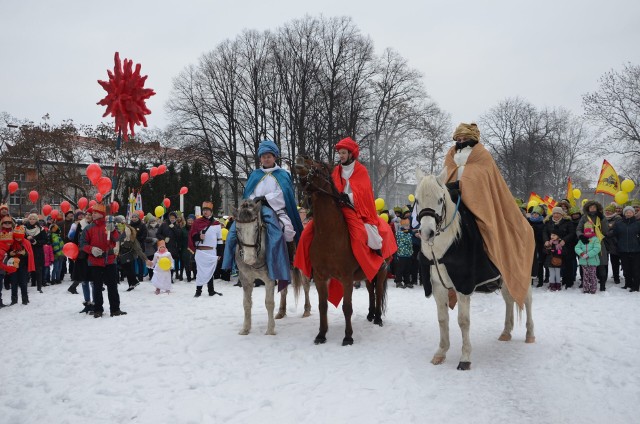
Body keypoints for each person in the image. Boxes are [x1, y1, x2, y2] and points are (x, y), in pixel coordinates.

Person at [441, 123, 535, 305]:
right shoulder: (451, 153)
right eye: (458, 139)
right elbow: (446, 172)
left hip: (475, 200)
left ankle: (489, 269)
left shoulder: (481, 154)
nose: (460, 141)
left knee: (482, 227)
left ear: (472, 138)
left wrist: (464, 184)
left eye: (464, 138)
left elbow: (480, 176)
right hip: (452, 196)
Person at [294, 137, 397, 290]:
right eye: (340, 153)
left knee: (364, 232)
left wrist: (348, 197)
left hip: (355, 209)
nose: (341, 156)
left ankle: (378, 257)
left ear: (351, 154)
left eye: (344, 153)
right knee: (306, 233)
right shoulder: (336, 170)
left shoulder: (360, 170)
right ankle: (309, 267)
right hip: (337, 208)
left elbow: (364, 193)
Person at [224, 140, 303, 290]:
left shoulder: (283, 174)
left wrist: (267, 198)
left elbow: (284, 193)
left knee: (286, 230)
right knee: (233, 231)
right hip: (254, 208)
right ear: (260, 158)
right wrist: (255, 200)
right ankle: (230, 262)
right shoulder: (255, 174)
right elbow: (249, 193)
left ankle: (287, 261)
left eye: (269, 156)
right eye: (263, 156)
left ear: (274, 157)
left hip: (275, 209)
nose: (266, 159)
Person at [79, 203, 126, 318]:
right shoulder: (88, 228)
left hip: (109, 260)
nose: (93, 214)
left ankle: (115, 309)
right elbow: (82, 244)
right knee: (97, 287)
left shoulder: (109, 226)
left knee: (112, 286)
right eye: (92, 213)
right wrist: (91, 249)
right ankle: (98, 309)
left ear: (101, 214)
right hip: (95, 261)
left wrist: (113, 230)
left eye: (95, 212)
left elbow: (118, 238)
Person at [189, 201, 223, 297]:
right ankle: (198, 291)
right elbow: (191, 236)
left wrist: (220, 253)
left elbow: (219, 240)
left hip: (212, 251)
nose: (205, 212)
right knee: (200, 271)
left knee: (210, 271)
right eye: (204, 210)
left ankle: (211, 291)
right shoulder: (197, 222)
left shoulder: (216, 224)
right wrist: (199, 237)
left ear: (211, 211)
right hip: (201, 251)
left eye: (207, 210)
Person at [576, 200, 610, 291]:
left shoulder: (602, 217)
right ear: (588, 208)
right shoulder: (584, 218)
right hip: (587, 242)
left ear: (597, 208)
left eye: (594, 207)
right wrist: (581, 236)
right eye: (591, 207)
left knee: (602, 264)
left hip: (599, 242)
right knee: (586, 263)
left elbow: (606, 231)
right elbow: (578, 229)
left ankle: (602, 284)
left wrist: (602, 218)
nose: (592, 209)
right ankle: (585, 282)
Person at [542, 207, 575, 290]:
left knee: (567, 264)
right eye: (554, 213)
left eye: (558, 213)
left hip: (565, 246)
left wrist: (564, 240)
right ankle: (553, 282)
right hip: (552, 246)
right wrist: (546, 240)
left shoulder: (567, 222)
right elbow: (544, 232)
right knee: (553, 263)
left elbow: (572, 233)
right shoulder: (548, 222)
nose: (556, 215)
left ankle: (568, 282)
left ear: (561, 214)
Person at [609, 206, 640, 292]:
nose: (628, 213)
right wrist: (617, 242)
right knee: (626, 268)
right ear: (624, 213)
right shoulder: (619, 223)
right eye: (627, 212)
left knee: (636, 269)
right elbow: (613, 233)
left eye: (630, 212)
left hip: (636, 250)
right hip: (623, 249)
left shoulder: (638, 223)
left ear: (633, 213)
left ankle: (636, 286)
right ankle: (628, 284)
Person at [114, 216, 148, 292]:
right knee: (125, 268)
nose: (119, 225)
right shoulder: (116, 231)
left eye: (120, 223)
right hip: (121, 253)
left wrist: (145, 258)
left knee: (129, 268)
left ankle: (132, 283)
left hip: (128, 252)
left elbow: (136, 245)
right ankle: (134, 282)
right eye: (117, 224)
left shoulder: (129, 231)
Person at [575, 223, 602, 294]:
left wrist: (588, 254)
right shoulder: (581, 240)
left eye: (589, 231)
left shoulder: (595, 239)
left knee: (592, 275)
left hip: (593, 261)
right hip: (583, 261)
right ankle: (586, 288)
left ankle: (593, 288)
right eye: (586, 232)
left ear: (592, 231)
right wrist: (582, 253)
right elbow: (577, 247)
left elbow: (597, 248)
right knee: (585, 275)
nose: (588, 233)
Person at [156, 211, 182, 284]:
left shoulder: (177, 226)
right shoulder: (164, 225)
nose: (172, 219)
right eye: (171, 218)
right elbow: (158, 234)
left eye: (174, 218)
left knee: (170, 264)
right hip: (164, 247)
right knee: (163, 262)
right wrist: (164, 238)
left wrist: (173, 227)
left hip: (173, 248)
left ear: (176, 219)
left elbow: (179, 235)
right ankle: (163, 278)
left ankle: (170, 278)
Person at [24, 213, 47, 293]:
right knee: (26, 269)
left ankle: (39, 287)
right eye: (30, 219)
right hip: (27, 252)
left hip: (38, 251)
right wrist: (27, 240)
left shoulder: (41, 229)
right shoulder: (24, 229)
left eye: (34, 219)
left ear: (37, 220)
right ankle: (24, 287)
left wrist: (36, 242)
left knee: (38, 269)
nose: (32, 220)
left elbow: (45, 240)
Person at [528, 206, 546, 288]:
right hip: (529, 246)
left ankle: (541, 280)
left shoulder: (542, 223)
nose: (535, 215)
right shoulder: (528, 222)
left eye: (537, 214)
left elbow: (542, 236)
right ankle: (530, 280)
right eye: (533, 214)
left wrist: (534, 230)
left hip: (538, 246)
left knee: (539, 263)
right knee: (530, 264)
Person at [604, 203, 622, 285]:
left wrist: (606, 233)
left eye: (609, 211)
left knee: (615, 261)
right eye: (606, 210)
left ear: (613, 211)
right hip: (604, 242)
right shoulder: (603, 218)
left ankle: (616, 277)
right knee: (604, 261)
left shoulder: (618, 218)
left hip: (614, 242)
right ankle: (603, 277)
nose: (608, 212)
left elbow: (616, 229)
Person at [128, 212, 148, 282]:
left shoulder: (142, 225)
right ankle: (133, 277)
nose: (134, 218)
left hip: (140, 245)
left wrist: (137, 240)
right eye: (133, 217)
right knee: (132, 262)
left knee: (140, 261)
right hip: (131, 247)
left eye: (135, 217)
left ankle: (140, 277)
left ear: (138, 218)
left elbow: (144, 235)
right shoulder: (129, 225)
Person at [394, 217, 414, 289]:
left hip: (408, 254)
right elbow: (405, 241)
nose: (408, 227)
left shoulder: (408, 233)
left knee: (407, 269)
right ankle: (398, 281)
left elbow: (410, 243)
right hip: (401, 254)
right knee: (400, 268)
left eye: (408, 225)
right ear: (402, 226)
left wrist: (411, 252)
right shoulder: (400, 233)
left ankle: (407, 281)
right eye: (406, 225)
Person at [144, 215, 159, 280]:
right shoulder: (146, 229)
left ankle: (156, 275)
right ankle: (151, 275)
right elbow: (145, 238)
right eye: (151, 221)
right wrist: (152, 239)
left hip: (157, 247)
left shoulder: (158, 228)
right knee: (151, 262)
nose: (153, 223)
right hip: (149, 247)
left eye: (154, 221)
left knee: (156, 262)